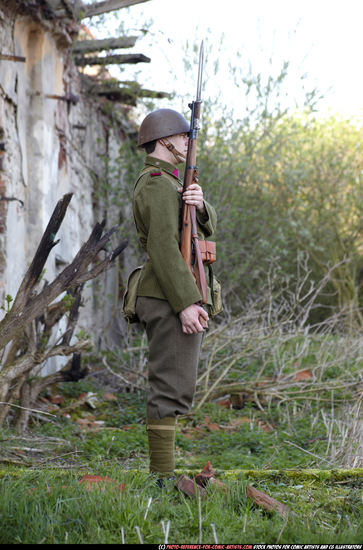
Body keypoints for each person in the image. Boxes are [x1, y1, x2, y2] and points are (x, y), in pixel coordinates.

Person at [133, 108, 217, 483]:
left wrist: (200, 204)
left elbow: (199, 231)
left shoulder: (173, 182)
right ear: (165, 139)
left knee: (177, 385)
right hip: (168, 297)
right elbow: (164, 248)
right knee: (169, 387)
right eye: (183, 137)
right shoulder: (155, 182)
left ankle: (163, 476)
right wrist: (186, 303)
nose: (188, 142)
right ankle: (162, 479)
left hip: (174, 294)